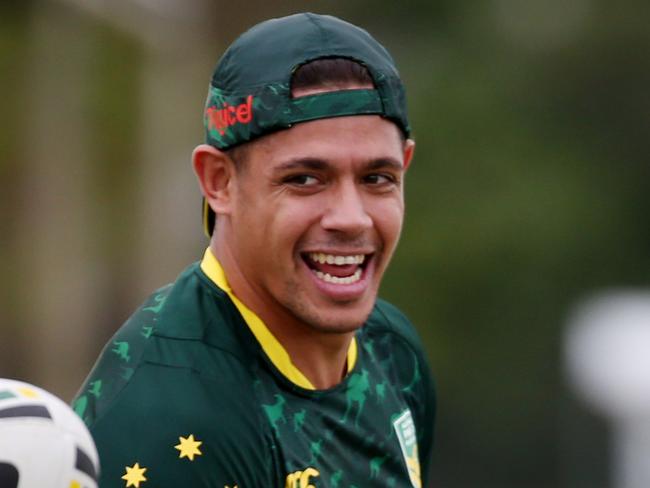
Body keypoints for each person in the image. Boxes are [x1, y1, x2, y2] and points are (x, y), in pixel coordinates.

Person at [73, 12, 436, 488]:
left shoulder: (392, 351)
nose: (351, 217)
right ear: (219, 182)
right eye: (304, 179)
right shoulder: (166, 422)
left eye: (377, 179)